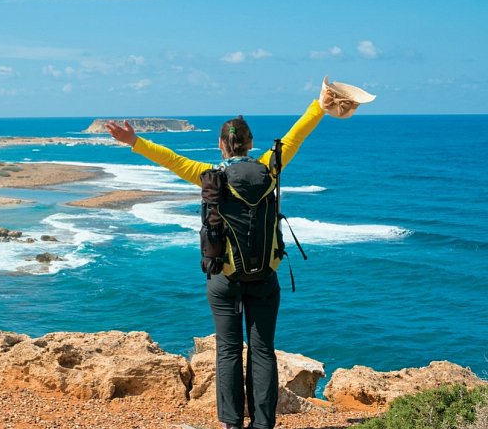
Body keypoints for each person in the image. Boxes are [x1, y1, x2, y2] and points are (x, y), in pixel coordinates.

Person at [106, 79, 373, 429]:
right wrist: (318, 106)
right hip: (265, 276)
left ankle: (232, 423)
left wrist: (135, 142)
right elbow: (295, 136)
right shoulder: (270, 167)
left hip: (223, 278)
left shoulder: (208, 177)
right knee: (263, 351)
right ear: (250, 144)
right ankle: (262, 425)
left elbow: (170, 160)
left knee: (228, 350)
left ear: (221, 145)